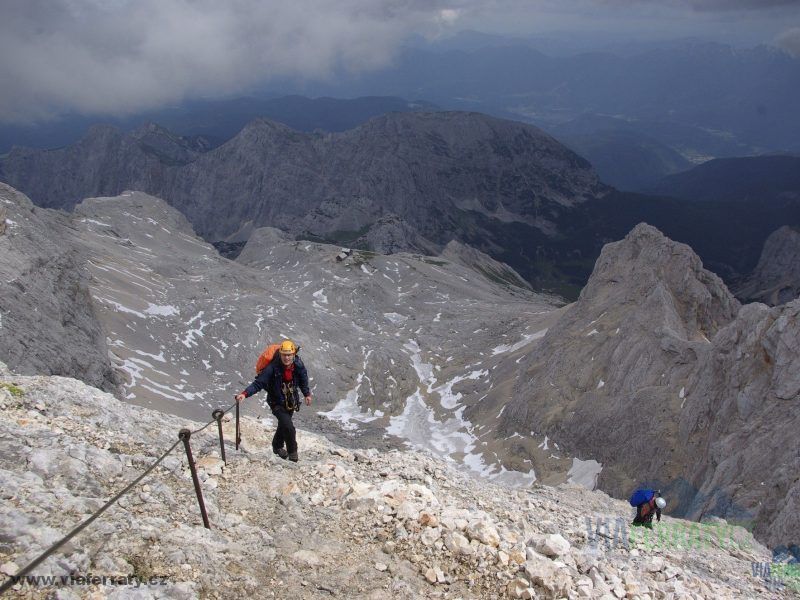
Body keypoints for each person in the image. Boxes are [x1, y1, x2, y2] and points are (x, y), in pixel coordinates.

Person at [235, 339, 311, 462]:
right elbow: (258, 383)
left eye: (289, 355)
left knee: (283, 425)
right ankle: (293, 455)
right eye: (284, 355)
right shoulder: (272, 368)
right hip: (276, 402)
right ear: (280, 354)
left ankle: (277, 447)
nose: (287, 358)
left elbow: (303, 379)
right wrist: (244, 394)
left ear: (294, 354)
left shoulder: (298, 364)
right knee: (288, 427)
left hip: (291, 401)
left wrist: (307, 394)